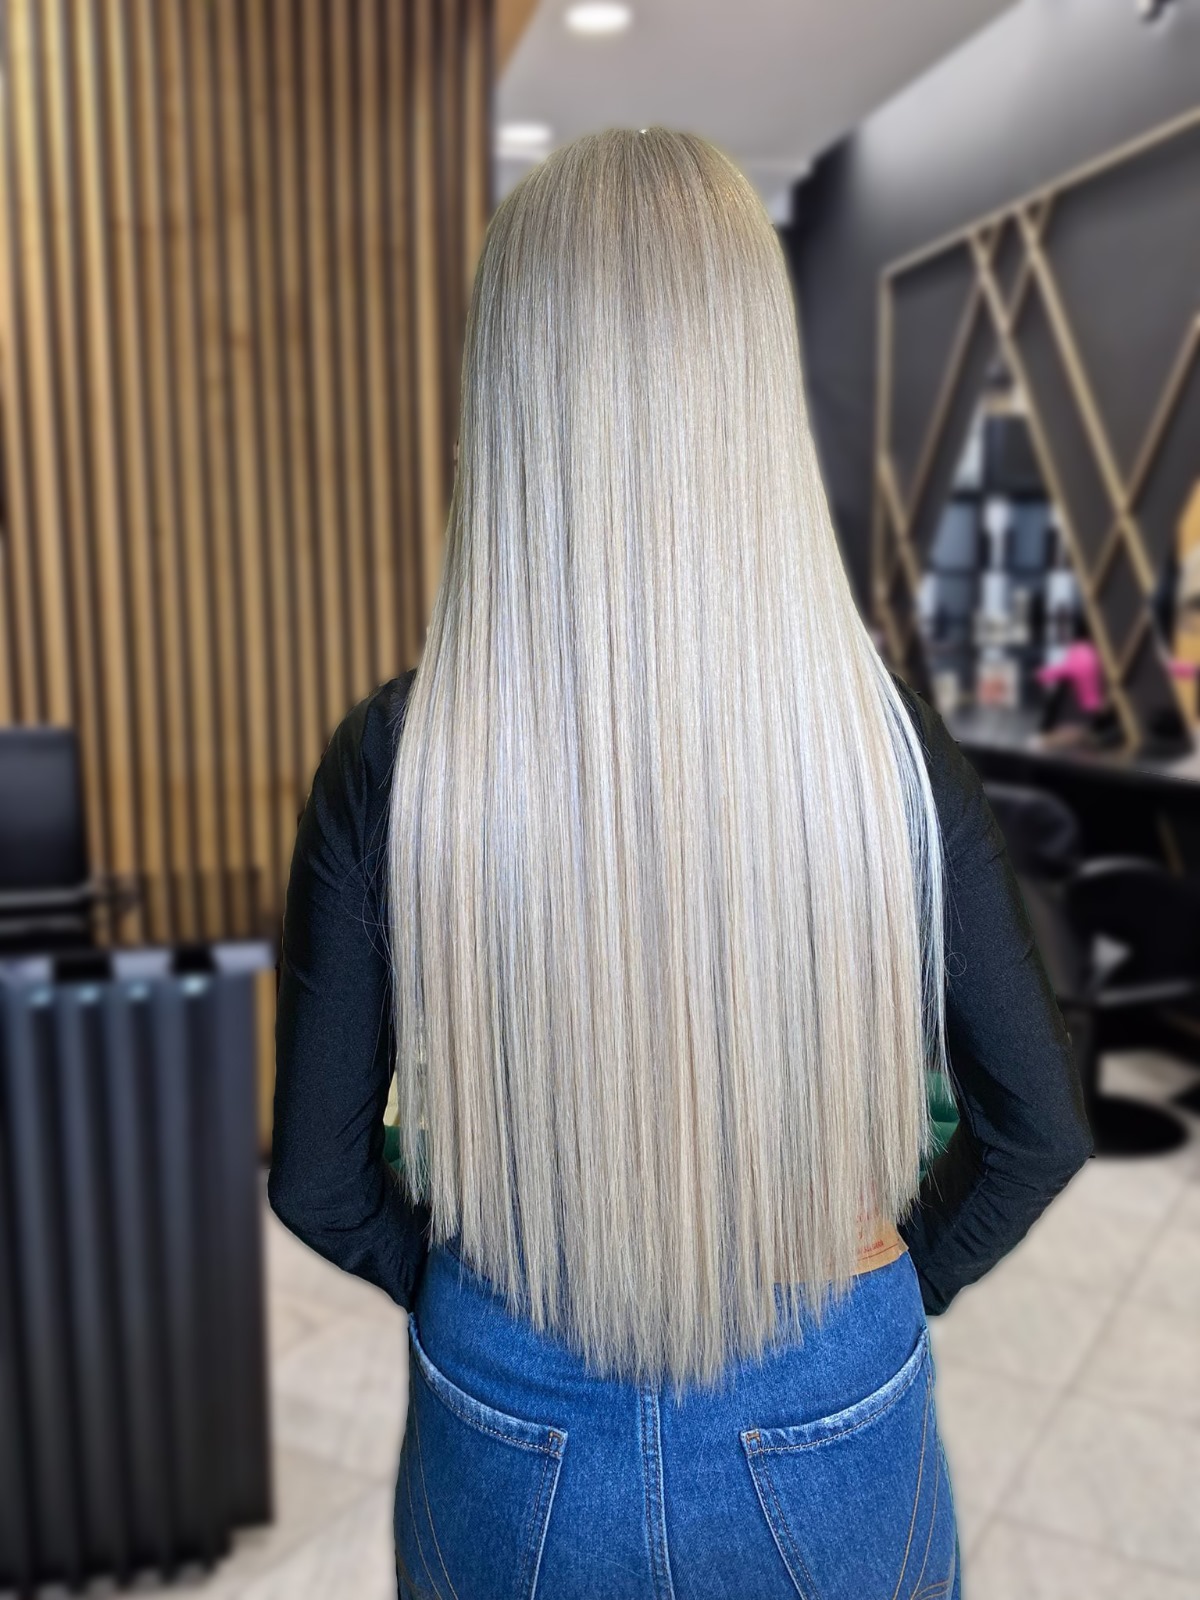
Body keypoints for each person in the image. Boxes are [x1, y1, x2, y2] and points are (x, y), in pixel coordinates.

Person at [270, 128, 1094, 1600]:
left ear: (507, 393)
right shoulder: (883, 753)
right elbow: (1034, 1127)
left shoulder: (398, 762)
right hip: (831, 1388)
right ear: (752, 388)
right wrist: (894, 1284)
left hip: (505, 1404)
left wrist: (468, 1295)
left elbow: (323, 1183)